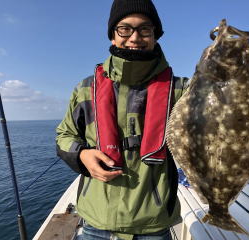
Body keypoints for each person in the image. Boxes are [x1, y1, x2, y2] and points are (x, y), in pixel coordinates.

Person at [56, 0, 189, 239]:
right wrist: (82, 155)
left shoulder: (182, 91)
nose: (135, 37)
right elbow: (65, 135)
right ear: (112, 36)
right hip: (96, 221)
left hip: (153, 225)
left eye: (144, 29)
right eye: (125, 29)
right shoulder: (86, 88)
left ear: (155, 35)